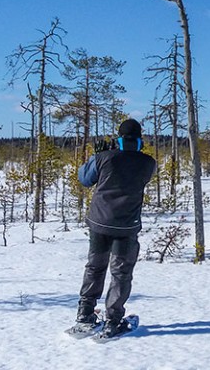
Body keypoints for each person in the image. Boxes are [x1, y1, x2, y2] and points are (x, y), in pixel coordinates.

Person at [75, 118, 156, 338]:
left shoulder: (104, 158)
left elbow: (84, 179)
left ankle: (85, 313)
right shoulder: (148, 162)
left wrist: (97, 156)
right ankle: (113, 319)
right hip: (126, 226)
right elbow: (138, 174)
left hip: (99, 222)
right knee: (121, 273)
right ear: (140, 141)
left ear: (118, 139)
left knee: (94, 267)